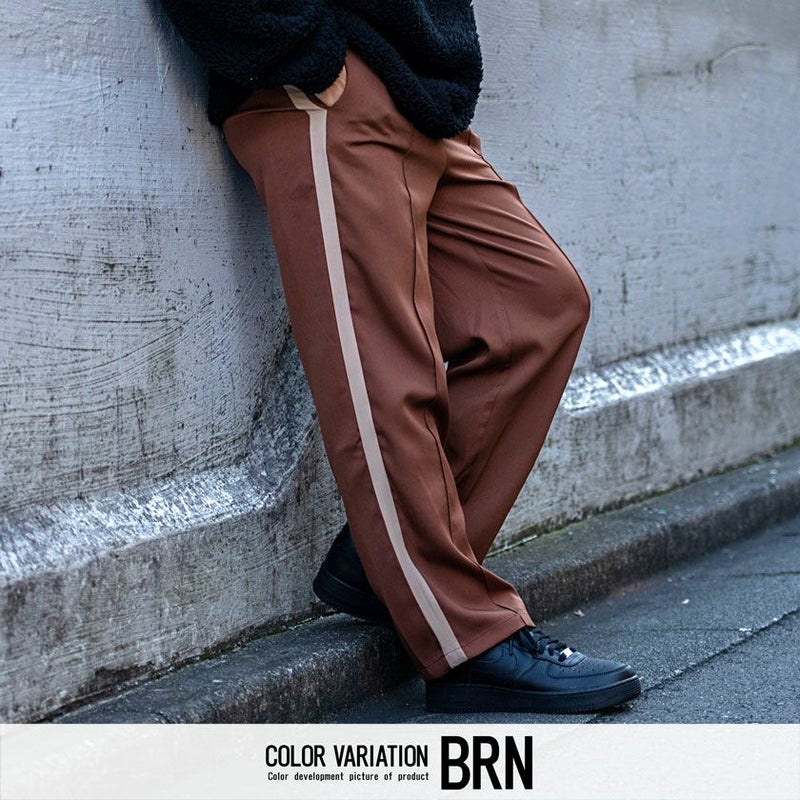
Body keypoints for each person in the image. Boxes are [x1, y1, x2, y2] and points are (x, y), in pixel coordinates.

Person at [158, 0, 641, 714]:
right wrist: (294, 45)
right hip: (324, 84)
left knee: (537, 306)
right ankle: (466, 640)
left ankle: (383, 564)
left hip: (415, 85)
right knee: (382, 375)